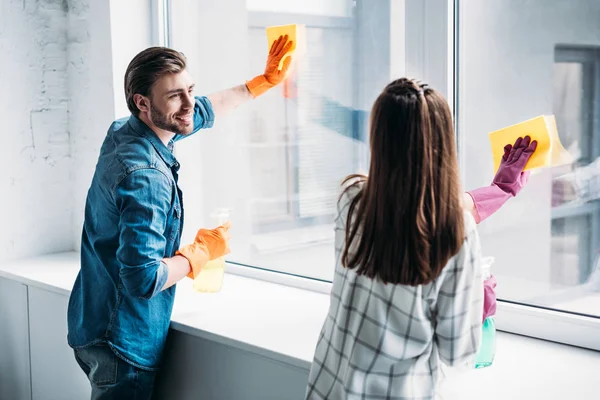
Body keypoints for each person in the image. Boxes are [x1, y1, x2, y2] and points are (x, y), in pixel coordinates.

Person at [66, 36, 294, 399]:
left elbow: (204, 110)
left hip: (91, 321)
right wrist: (199, 254)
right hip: (124, 342)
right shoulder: (146, 177)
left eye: (190, 89)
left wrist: (261, 82)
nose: (188, 103)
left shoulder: (123, 132)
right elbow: (143, 279)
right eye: (175, 95)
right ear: (142, 102)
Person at [304, 78, 536, 399]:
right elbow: (458, 355)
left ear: (378, 137)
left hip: (330, 386)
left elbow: (420, 208)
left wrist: (498, 191)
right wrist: (478, 299)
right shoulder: (457, 235)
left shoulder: (352, 198)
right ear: (443, 144)